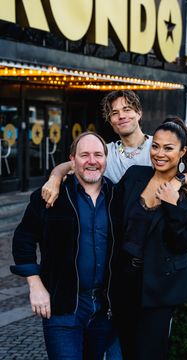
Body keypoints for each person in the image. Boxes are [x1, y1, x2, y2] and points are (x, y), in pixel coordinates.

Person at [10, 132, 116, 360]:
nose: (91, 160)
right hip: (62, 305)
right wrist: (35, 285)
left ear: (106, 160)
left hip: (104, 309)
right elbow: (23, 239)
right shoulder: (50, 196)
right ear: (72, 159)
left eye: (98, 154)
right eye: (84, 155)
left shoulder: (118, 197)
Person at [109, 118, 187, 360]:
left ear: (183, 151)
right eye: (156, 146)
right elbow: (112, 221)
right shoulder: (134, 176)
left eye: (168, 148)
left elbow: (183, 243)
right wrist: (57, 175)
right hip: (125, 283)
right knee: (129, 351)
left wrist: (174, 207)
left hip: (161, 288)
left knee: (150, 353)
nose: (159, 153)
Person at [41, 90, 187, 207]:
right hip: (121, 235)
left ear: (138, 113)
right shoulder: (105, 152)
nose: (122, 116)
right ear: (110, 120)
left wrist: (179, 180)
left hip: (159, 233)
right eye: (115, 113)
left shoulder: (160, 148)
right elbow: (69, 165)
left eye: (127, 109)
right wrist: (54, 179)